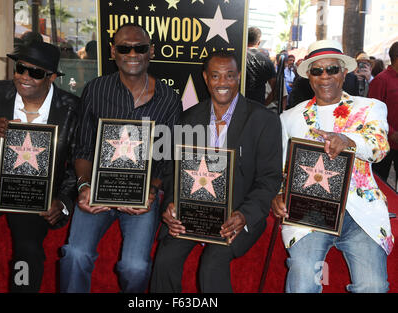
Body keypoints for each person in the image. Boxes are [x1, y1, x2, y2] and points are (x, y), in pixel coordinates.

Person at [59, 23, 182, 293]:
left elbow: (167, 158)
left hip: (143, 196)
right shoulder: (96, 89)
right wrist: (83, 186)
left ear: (151, 51)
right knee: (75, 254)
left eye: (140, 48)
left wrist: (152, 190)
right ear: (113, 51)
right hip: (97, 192)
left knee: (135, 268)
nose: (132, 53)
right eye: (124, 48)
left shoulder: (169, 99)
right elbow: (82, 148)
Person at [0, 41, 80, 292]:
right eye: (20, 68)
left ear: (51, 77)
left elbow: (77, 162)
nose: (24, 77)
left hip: (35, 193)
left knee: (28, 251)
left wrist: (62, 200)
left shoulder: (72, 108)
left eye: (36, 72)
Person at [150, 50, 283, 293]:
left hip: (238, 213)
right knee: (165, 260)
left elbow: (269, 179)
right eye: (216, 76)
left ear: (239, 77)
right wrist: (171, 205)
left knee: (212, 264)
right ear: (205, 78)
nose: (223, 83)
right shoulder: (189, 118)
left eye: (230, 75)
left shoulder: (264, 120)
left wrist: (244, 215)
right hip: (193, 211)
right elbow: (173, 172)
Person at [272, 40, 392, 293]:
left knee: (373, 286)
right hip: (309, 212)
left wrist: (348, 140)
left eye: (332, 69)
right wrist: (277, 195)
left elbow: (379, 146)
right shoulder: (289, 118)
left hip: (361, 213)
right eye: (317, 71)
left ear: (344, 72)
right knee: (304, 282)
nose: (325, 76)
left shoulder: (370, 108)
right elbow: (278, 168)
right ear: (309, 77)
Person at [369, 42, 398, 183]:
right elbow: (373, 113)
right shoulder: (381, 80)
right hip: (384, 144)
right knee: (380, 182)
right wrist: (392, 133)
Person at [245, 27, 276, 106]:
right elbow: (275, 89)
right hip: (258, 106)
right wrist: (264, 105)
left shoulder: (236, 57)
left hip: (237, 106)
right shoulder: (267, 61)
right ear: (259, 42)